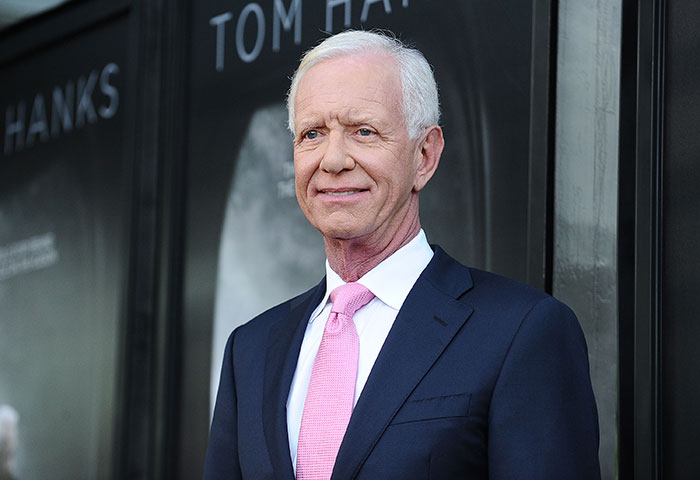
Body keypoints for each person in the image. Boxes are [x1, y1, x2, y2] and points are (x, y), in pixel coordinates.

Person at [204, 30, 600, 479]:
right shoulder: (250, 349)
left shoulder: (523, 332)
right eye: (312, 133)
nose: (332, 160)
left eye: (364, 131)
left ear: (425, 156)